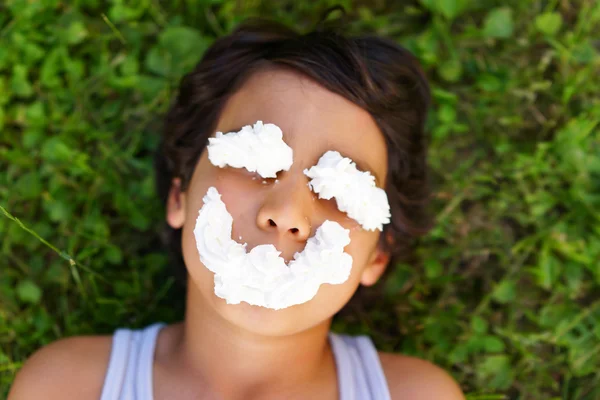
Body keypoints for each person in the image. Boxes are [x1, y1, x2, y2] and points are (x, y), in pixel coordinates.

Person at [9, 15, 466, 400]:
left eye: (343, 191)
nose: (287, 213)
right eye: (251, 161)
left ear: (378, 254)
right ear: (179, 196)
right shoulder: (66, 387)